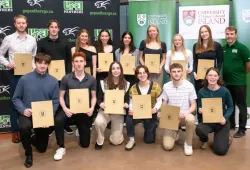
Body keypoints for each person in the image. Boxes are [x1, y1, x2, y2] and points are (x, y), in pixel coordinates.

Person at [12, 53, 59, 168]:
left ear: (48, 65)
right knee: (24, 128)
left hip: (43, 116)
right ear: (35, 63)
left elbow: (56, 101)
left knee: (42, 148)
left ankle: (31, 137)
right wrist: (23, 110)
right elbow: (16, 98)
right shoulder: (24, 79)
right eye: (40, 63)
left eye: (45, 63)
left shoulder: (53, 81)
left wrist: (49, 116)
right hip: (27, 113)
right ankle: (28, 153)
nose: (42, 66)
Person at [0, 15, 37, 143]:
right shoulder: (8, 39)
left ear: (27, 24)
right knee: (14, 102)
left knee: (31, 100)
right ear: (15, 24)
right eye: (19, 23)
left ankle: (30, 128)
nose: (21, 25)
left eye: (23, 23)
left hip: (30, 75)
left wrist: (33, 66)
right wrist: (7, 63)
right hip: (14, 75)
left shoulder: (32, 39)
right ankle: (15, 131)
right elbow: (0, 54)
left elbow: (34, 56)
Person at [54, 52, 97, 161]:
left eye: (81, 61)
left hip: (84, 111)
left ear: (85, 63)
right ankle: (61, 147)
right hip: (69, 109)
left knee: (85, 144)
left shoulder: (91, 79)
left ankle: (80, 128)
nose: (79, 64)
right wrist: (65, 109)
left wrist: (91, 108)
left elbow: (93, 97)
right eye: (76, 61)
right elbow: (61, 97)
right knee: (58, 120)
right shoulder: (66, 78)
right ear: (73, 63)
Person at [37, 19, 73, 135]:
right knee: (49, 100)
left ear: (59, 29)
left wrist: (67, 74)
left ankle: (65, 124)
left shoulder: (65, 41)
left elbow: (69, 59)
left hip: (63, 77)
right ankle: (50, 125)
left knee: (64, 99)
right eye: (51, 27)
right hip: (47, 77)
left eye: (55, 27)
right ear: (48, 29)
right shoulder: (42, 43)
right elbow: (39, 59)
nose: (53, 29)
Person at [196, 67, 233, 156]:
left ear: (218, 77)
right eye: (210, 75)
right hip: (208, 121)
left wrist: (225, 118)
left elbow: (230, 107)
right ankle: (204, 140)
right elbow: (199, 107)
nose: (212, 78)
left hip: (221, 122)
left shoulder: (225, 91)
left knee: (220, 151)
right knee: (199, 129)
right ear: (206, 77)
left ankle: (224, 137)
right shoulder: (201, 91)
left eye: (215, 76)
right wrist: (200, 110)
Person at [161, 63, 197, 156]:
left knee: (190, 119)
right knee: (167, 147)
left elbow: (193, 105)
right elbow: (164, 103)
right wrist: (162, 112)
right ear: (170, 73)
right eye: (174, 71)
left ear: (182, 72)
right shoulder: (166, 86)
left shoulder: (189, 86)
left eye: (178, 71)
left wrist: (185, 113)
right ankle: (175, 131)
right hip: (172, 118)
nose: (176, 74)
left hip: (185, 116)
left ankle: (188, 144)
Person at [125, 65, 162, 151]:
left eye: (144, 73)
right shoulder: (133, 88)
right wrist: (131, 110)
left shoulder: (156, 86)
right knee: (129, 119)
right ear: (137, 75)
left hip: (150, 113)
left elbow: (159, 101)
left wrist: (155, 109)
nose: (142, 75)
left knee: (149, 140)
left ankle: (151, 127)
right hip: (138, 113)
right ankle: (131, 139)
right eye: (139, 73)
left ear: (147, 74)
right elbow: (131, 102)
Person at [94, 61, 130, 150]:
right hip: (105, 111)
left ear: (121, 70)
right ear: (110, 71)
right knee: (98, 122)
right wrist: (100, 104)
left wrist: (126, 104)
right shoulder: (103, 83)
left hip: (118, 113)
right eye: (113, 68)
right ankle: (99, 140)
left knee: (116, 142)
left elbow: (127, 99)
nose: (116, 70)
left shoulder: (126, 84)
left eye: (118, 68)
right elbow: (98, 98)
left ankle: (114, 134)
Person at [222, 26, 250, 138]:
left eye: (231, 34)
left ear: (236, 35)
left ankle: (242, 129)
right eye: (227, 34)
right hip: (227, 83)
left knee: (242, 106)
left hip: (239, 83)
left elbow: (248, 66)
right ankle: (232, 125)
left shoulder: (242, 48)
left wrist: (241, 74)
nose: (229, 36)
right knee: (230, 105)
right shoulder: (224, 48)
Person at [193, 25, 223, 123]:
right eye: (202, 32)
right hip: (200, 78)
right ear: (199, 34)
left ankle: (213, 119)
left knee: (212, 98)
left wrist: (215, 73)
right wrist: (194, 72)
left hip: (212, 78)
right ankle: (201, 122)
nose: (204, 34)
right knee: (200, 98)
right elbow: (195, 61)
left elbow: (220, 62)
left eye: (206, 32)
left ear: (209, 32)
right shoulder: (196, 45)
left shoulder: (216, 45)